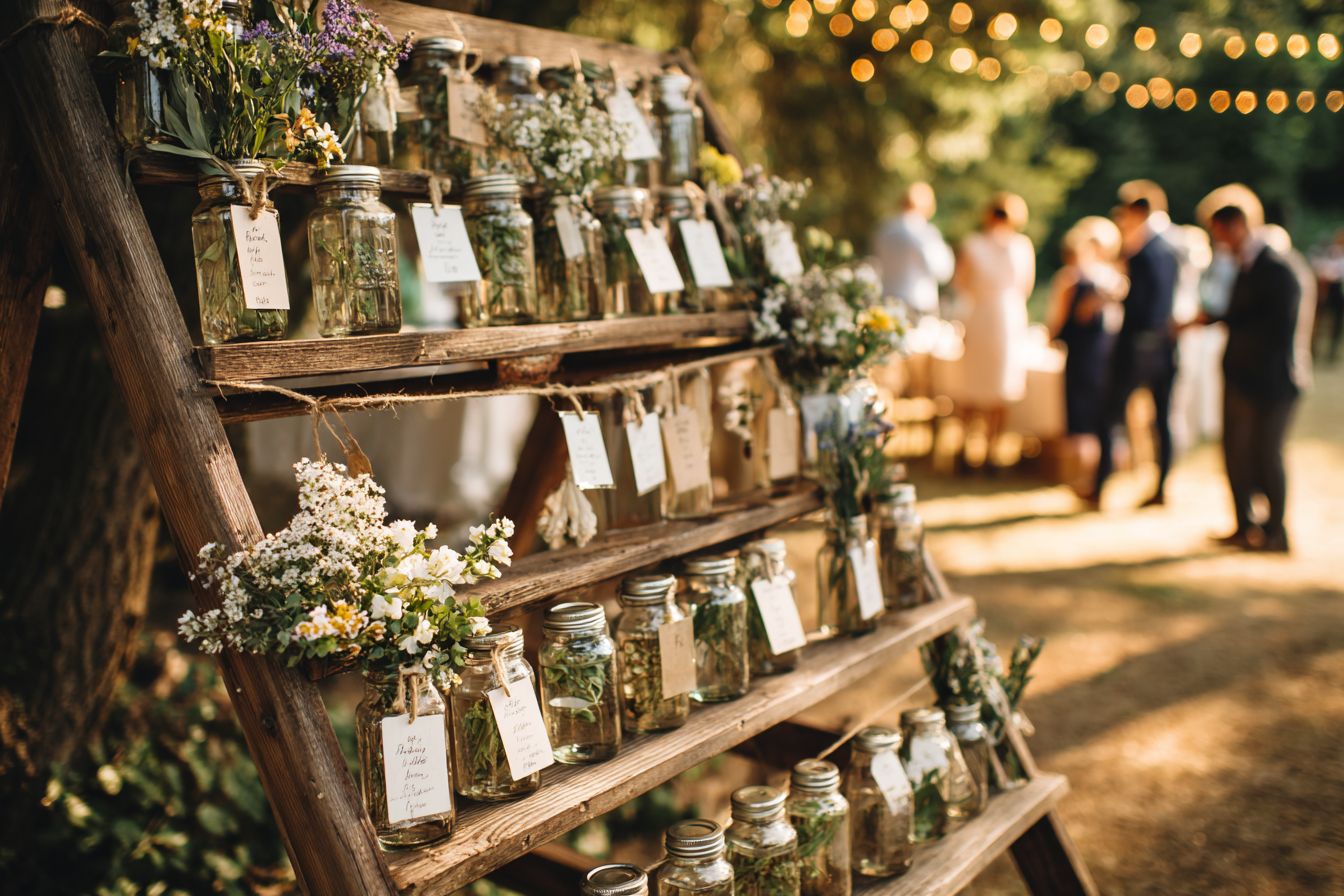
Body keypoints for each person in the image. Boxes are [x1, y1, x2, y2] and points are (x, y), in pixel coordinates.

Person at [1198, 205, 1302, 552]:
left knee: (1266, 455)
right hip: (1242, 376)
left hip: (1270, 381)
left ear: (1238, 226)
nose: (1219, 241)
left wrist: (1227, 321)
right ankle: (1245, 525)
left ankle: (1275, 531)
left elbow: (1276, 329)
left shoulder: (1278, 268)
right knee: (1236, 454)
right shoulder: (1243, 266)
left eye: (1220, 232)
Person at [1089, 180, 1179, 508]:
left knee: (1110, 415)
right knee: (1162, 419)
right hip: (1165, 343)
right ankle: (1161, 486)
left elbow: (1142, 303)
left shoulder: (1144, 250)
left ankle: (1100, 485)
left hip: (1138, 344)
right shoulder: (1172, 246)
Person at [953, 192, 1035, 469]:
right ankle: (989, 450)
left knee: (977, 387)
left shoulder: (975, 244)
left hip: (984, 314)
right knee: (999, 390)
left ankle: (967, 448)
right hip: (1007, 316)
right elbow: (1026, 286)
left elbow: (961, 283)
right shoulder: (1021, 246)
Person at [1046, 216, 1127, 437]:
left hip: (1089, 352)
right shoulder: (1111, 279)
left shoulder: (1083, 279)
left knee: (1083, 410)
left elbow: (1069, 316)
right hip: (1099, 350)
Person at [873, 181, 955, 317]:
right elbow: (942, 271)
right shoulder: (924, 232)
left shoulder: (884, 229)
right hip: (917, 306)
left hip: (887, 301)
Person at [1312, 229, 1344, 364]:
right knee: (1320, 321)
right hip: (1327, 289)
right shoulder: (1330, 252)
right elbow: (1320, 267)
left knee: (1336, 324)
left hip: (1339, 291)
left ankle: (1331, 352)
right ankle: (1315, 349)